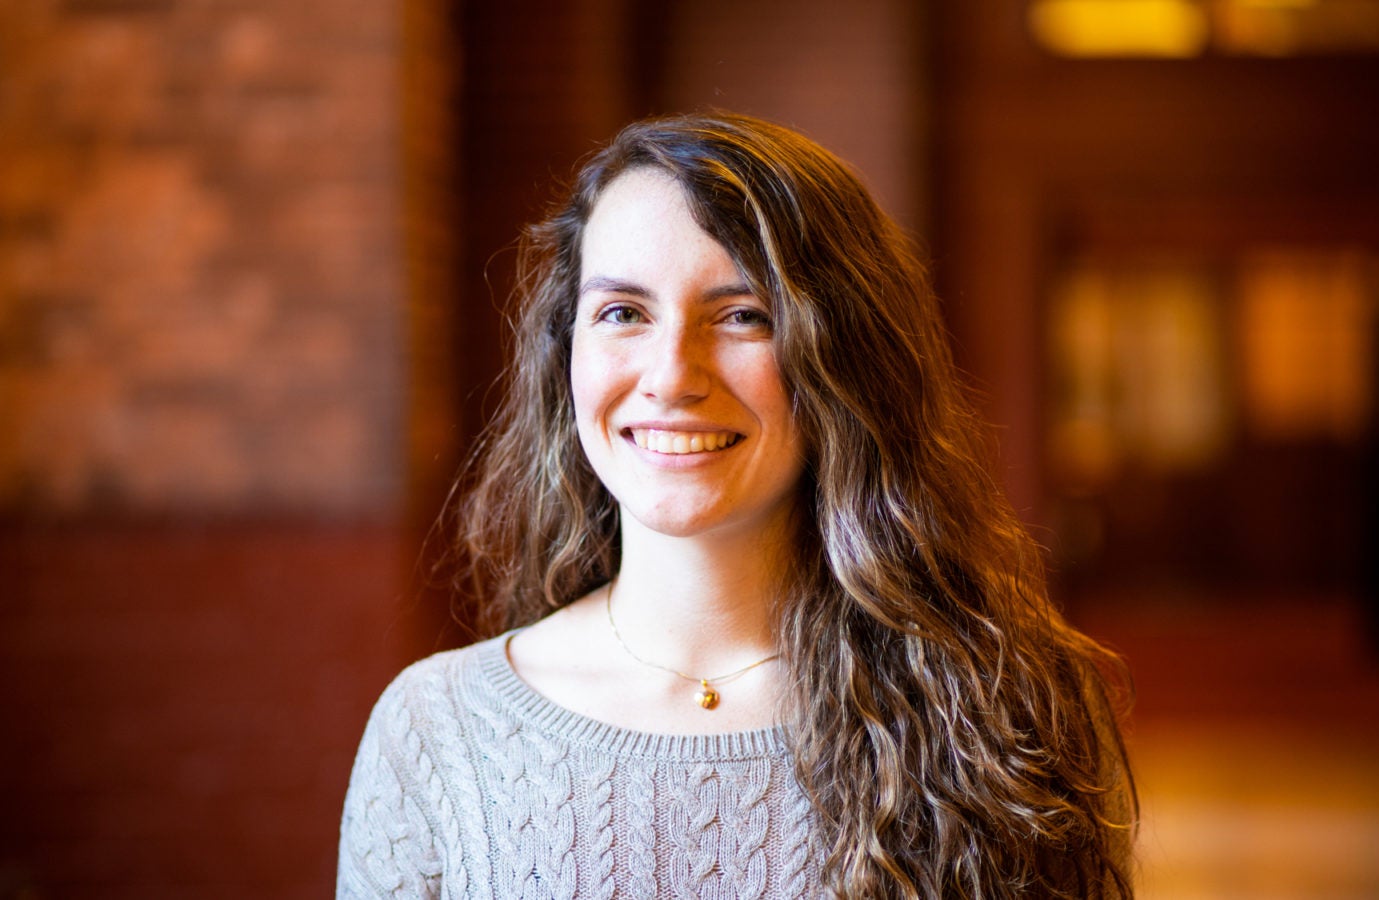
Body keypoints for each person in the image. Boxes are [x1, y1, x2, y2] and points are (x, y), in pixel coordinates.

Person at [338, 112, 1136, 899]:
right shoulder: (436, 731)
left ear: (845, 360)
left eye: (742, 316)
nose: (672, 375)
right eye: (623, 313)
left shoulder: (1004, 713)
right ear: (567, 350)